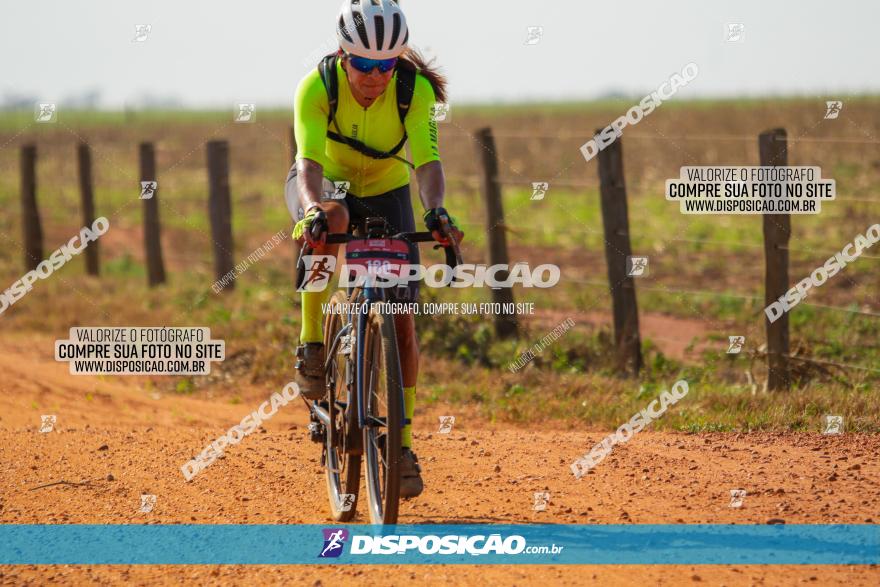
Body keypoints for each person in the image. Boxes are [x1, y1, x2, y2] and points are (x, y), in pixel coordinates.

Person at [285, 0, 463, 498]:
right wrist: (311, 210)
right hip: (325, 183)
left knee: (402, 316)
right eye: (363, 64)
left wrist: (436, 211)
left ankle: (402, 444)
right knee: (331, 222)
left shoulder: (415, 90)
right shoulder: (316, 87)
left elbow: (427, 161)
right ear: (344, 56)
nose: (374, 76)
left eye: (385, 65)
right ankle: (311, 347)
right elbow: (309, 163)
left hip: (387, 188)